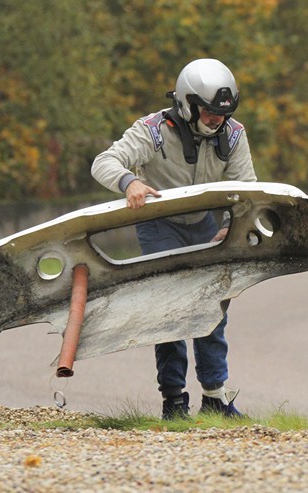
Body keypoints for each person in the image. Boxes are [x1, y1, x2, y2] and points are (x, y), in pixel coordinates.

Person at [91, 58, 256, 419]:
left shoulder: (233, 133)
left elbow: (247, 191)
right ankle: (174, 402)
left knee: (212, 307)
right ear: (187, 103)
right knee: (171, 310)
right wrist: (129, 182)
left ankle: (215, 399)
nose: (217, 120)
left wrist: (235, 225)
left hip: (205, 224)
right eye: (210, 112)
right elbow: (104, 161)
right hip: (158, 224)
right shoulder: (152, 129)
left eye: (222, 113)